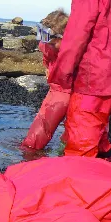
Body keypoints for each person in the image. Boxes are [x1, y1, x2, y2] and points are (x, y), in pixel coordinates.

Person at [47, 0, 111, 158]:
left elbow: (77, 36)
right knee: (98, 125)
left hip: (94, 74)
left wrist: (60, 75)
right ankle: (104, 169)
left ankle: (80, 184)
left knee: (81, 137)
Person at [21, 9, 71, 150]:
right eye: (45, 40)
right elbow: (46, 57)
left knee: (75, 132)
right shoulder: (46, 44)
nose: (48, 45)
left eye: (53, 43)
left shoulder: (75, 48)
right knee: (40, 130)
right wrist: (47, 69)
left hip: (77, 90)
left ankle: (66, 154)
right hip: (58, 89)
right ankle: (30, 152)